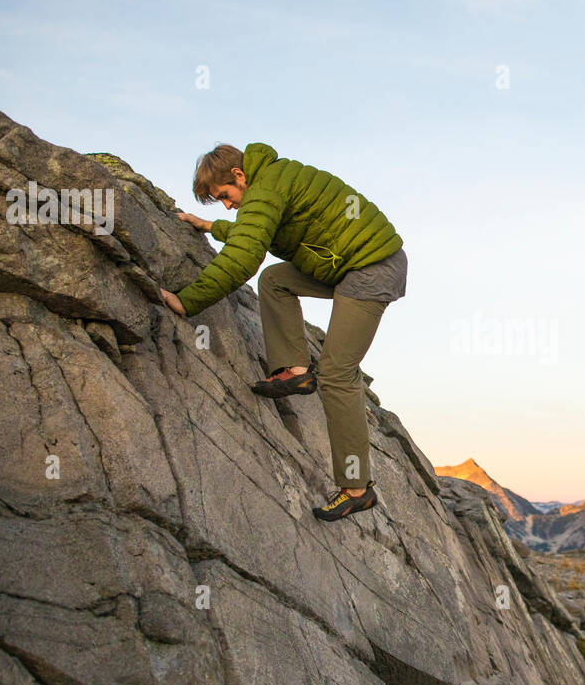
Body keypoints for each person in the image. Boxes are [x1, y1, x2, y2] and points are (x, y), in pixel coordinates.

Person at [158, 142, 407, 522]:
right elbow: (251, 229)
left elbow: (244, 254)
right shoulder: (269, 181)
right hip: (348, 262)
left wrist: (186, 301)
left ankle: (357, 489)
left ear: (239, 176)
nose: (227, 205)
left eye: (225, 196)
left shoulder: (267, 187)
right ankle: (294, 370)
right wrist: (209, 226)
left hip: (373, 267)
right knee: (275, 280)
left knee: (338, 373)